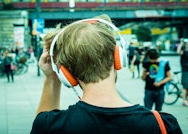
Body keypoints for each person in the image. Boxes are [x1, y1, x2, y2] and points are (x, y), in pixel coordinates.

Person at [30, 15, 182, 134]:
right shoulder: (163, 125)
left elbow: (41, 124)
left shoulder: (50, 125)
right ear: (119, 57)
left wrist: (51, 78)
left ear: (65, 73)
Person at [177, 38, 188, 106]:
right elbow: (178, 52)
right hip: (185, 71)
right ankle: (184, 100)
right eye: (187, 44)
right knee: (185, 86)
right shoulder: (184, 52)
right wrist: (181, 43)